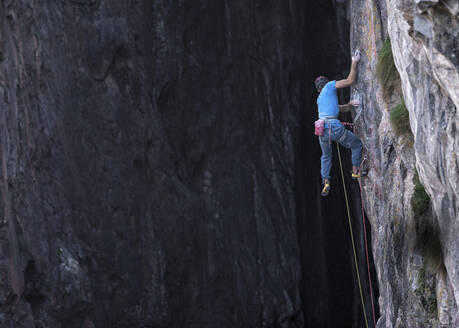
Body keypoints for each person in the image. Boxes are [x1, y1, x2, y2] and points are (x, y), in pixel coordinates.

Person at [315, 51, 363, 197]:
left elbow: (338, 109)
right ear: (327, 83)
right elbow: (350, 81)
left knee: (326, 156)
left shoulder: (319, 99)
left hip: (321, 130)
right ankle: (355, 171)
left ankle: (326, 181)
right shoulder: (330, 86)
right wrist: (355, 62)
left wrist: (349, 104)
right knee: (356, 144)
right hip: (333, 127)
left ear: (318, 89)